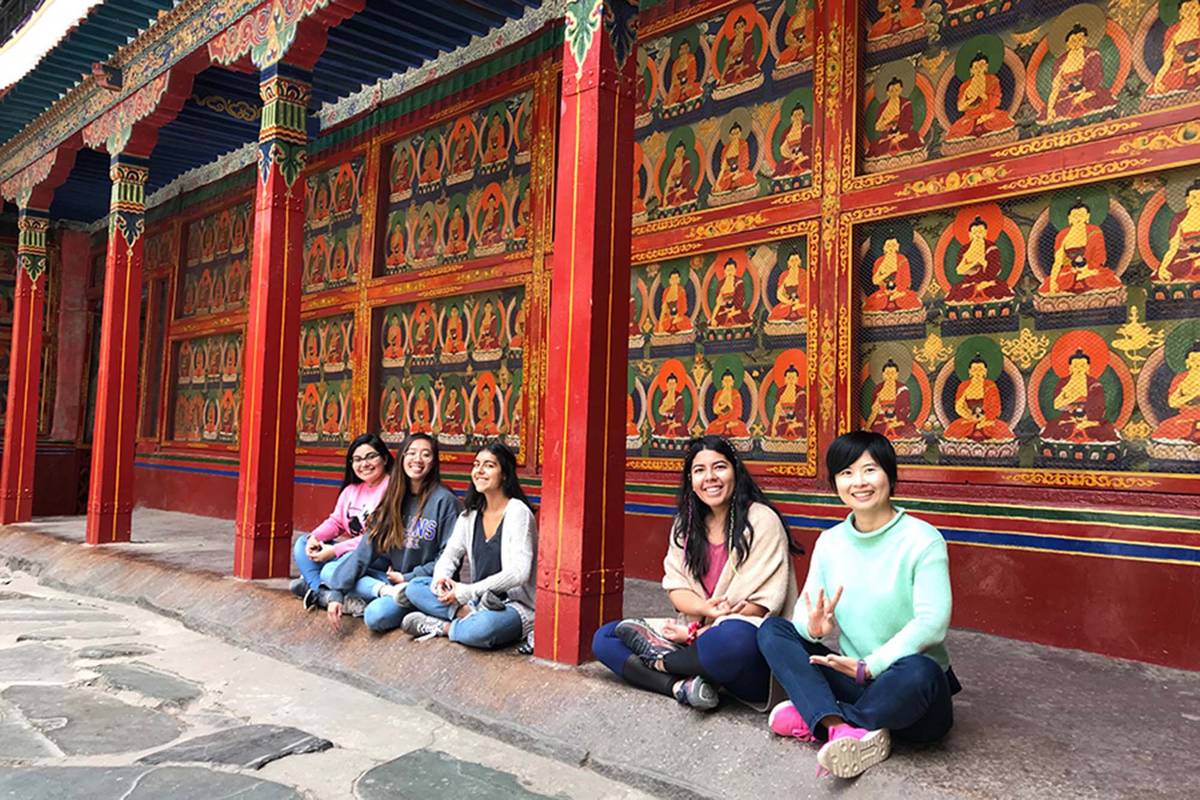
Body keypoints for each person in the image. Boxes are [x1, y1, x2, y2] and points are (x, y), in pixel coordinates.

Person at [757, 431, 959, 779]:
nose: (859, 482)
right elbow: (806, 610)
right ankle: (839, 727)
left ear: (890, 476)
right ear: (835, 482)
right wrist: (813, 629)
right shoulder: (830, 542)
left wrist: (871, 666)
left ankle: (821, 718)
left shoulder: (923, 540)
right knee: (773, 630)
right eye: (846, 473)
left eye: (869, 470)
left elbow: (932, 622)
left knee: (920, 670)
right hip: (855, 680)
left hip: (910, 691)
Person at [593, 436, 799, 711]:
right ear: (690, 479)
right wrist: (705, 610)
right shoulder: (685, 525)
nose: (710, 478)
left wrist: (695, 635)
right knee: (606, 638)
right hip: (694, 637)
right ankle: (681, 687)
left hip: (746, 650)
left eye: (719, 467)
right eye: (699, 470)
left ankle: (660, 662)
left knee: (729, 638)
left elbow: (760, 606)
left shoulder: (762, 519)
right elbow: (677, 590)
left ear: (735, 471)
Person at [401, 443, 538, 650]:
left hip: (515, 605)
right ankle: (465, 616)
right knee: (415, 587)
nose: (479, 471)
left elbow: (519, 573)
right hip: (476, 602)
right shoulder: (470, 515)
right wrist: (441, 581)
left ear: (505, 475)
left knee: (484, 629)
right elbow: (450, 556)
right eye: (476, 465)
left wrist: (469, 591)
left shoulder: (518, 512)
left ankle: (444, 627)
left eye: (489, 466)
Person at [323, 434, 461, 633]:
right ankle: (381, 593)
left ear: (434, 462)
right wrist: (336, 594)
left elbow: (449, 560)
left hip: (424, 585)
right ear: (402, 458)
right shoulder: (394, 497)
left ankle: (414, 606)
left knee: (375, 616)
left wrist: (409, 577)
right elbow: (366, 549)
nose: (417, 460)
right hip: (391, 580)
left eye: (426, 455)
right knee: (331, 571)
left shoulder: (445, 502)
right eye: (411, 453)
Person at [290, 435, 393, 609]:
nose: (364, 464)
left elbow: (377, 537)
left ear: (384, 458)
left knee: (331, 569)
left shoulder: (392, 489)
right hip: (350, 551)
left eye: (371, 456)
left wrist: (334, 551)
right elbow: (336, 522)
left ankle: (316, 586)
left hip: (377, 554)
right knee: (303, 543)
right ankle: (321, 592)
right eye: (357, 459)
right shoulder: (351, 490)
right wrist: (316, 537)